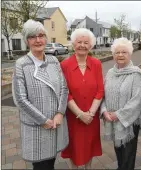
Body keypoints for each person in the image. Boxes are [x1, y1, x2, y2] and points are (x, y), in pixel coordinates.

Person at [12, 19, 69, 170]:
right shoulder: (21, 64)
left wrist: (59, 113)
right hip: (37, 126)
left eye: (41, 35)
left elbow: (64, 88)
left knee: (51, 162)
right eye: (32, 37)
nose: (38, 40)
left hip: (55, 123)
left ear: (46, 38)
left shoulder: (53, 61)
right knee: (41, 165)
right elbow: (20, 99)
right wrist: (43, 120)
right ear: (26, 41)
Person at [100, 37, 141, 170]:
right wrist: (104, 112)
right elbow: (102, 94)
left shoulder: (136, 74)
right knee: (119, 154)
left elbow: (137, 101)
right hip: (113, 121)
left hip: (129, 123)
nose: (120, 55)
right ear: (113, 54)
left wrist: (117, 115)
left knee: (128, 158)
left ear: (130, 53)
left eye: (124, 52)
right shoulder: (110, 73)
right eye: (117, 52)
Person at [60, 28, 104, 169]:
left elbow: (100, 90)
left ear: (90, 45)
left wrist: (90, 113)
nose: (82, 45)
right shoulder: (65, 65)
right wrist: (80, 114)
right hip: (74, 117)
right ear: (73, 44)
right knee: (75, 147)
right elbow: (65, 92)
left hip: (92, 117)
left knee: (90, 145)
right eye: (79, 42)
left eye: (86, 42)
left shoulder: (96, 64)